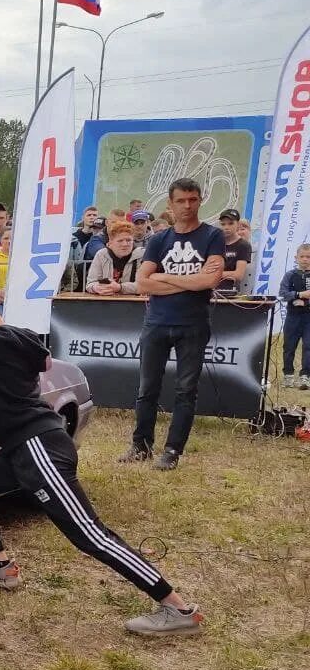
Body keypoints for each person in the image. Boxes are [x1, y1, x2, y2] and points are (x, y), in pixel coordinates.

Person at [0, 269, 205, 637]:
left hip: (38, 448)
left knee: (91, 536)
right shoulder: (16, 338)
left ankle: (178, 608)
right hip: (20, 449)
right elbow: (40, 359)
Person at [121, 178, 225, 471]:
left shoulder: (211, 236)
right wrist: (189, 283)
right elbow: (142, 283)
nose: (187, 206)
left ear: (200, 200)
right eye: (181, 201)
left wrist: (164, 278)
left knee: (185, 390)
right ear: (170, 204)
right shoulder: (159, 240)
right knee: (147, 388)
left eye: (193, 199)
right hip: (157, 322)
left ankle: (172, 450)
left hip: (192, 324)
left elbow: (210, 280)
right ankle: (141, 445)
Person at [278, 244, 310, 389]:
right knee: (289, 346)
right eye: (302, 256)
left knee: (308, 346)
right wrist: (298, 295)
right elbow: (283, 294)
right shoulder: (290, 275)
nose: (305, 260)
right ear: (296, 258)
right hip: (293, 316)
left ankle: (305, 376)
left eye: (308, 257)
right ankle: (288, 375)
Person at [85, 221, 143, 296]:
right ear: (111, 241)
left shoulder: (141, 255)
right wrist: (96, 288)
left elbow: (145, 285)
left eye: (128, 240)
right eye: (120, 241)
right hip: (106, 301)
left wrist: (120, 287)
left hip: (134, 302)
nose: (125, 244)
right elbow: (90, 283)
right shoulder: (101, 254)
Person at [215, 209, 251, 297]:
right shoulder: (215, 243)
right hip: (210, 291)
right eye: (223, 224)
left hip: (229, 293)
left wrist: (215, 274)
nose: (226, 227)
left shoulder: (243, 245)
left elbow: (238, 274)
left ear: (238, 225)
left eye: (230, 223)